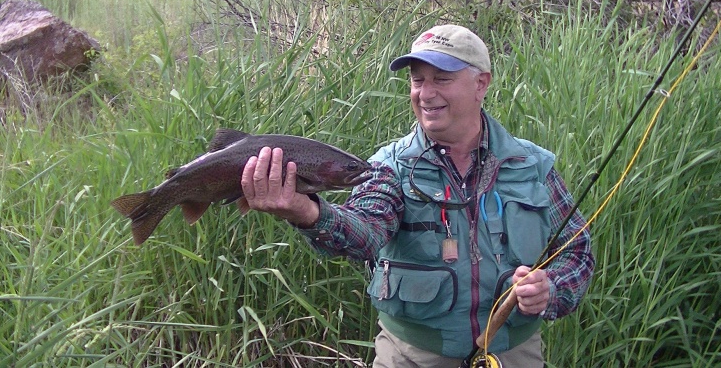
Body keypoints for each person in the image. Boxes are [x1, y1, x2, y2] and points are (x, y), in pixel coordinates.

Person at [239, 24, 595, 367]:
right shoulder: (387, 166)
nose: (426, 93)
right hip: (410, 357)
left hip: (513, 354)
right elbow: (364, 232)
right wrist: (308, 212)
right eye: (417, 80)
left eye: (442, 79)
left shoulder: (532, 165)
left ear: (480, 84)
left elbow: (576, 250)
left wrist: (551, 288)